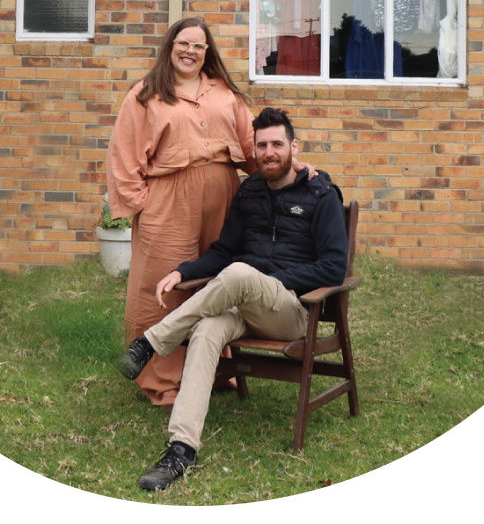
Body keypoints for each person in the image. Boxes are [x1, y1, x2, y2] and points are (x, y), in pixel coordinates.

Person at [118, 107, 348, 491]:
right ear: (253, 151)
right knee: (208, 327)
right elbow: (224, 251)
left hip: (291, 311)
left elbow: (333, 268)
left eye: (277, 144)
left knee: (242, 274)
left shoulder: (321, 193)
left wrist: (270, 280)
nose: (269, 152)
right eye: (262, 145)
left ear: (294, 147)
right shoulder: (250, 192)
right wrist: (183, 272)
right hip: (244, 304)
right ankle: (181, 449)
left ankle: (152, 341)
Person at [106, 19, 315, 410]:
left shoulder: (224, 93)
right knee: (165, 288)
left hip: (223, 195)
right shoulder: (146, 95)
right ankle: (162, 381)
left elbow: (254, 145)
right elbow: (123, 154)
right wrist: (142, 205)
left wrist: (292, 170)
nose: (190, 52)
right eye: (183, 43)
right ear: (171, 46)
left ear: (207, 52)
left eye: (199, 46)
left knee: (216, 282)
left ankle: (215, 371)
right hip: (168, 200)